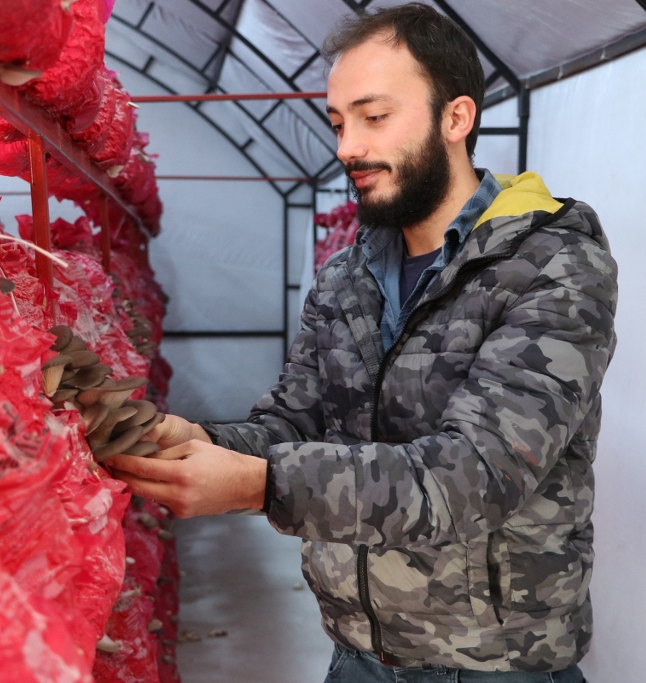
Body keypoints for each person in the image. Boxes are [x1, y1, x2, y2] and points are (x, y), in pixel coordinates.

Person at [108, 4, 617, 681]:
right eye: (339, 122)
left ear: (455, 118)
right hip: (360, 654)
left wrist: (261, 484)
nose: (347, 146)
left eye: (374, 117)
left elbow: (477, 474)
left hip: (495, 664)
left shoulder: (551, 265)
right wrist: (200, 442)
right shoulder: (348, 277)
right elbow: (293, 420)